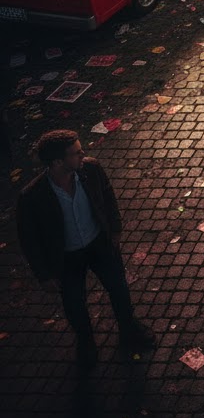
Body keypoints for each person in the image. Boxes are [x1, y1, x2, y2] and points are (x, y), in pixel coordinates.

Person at [16, 130, 155, 370]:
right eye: (76, 153)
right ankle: (86, 342)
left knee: (119, 289)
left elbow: (108, 194)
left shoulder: (91, 170)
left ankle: (129, 329)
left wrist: (115, 229)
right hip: (66, 256)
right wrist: (44, 274)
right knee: (74, 303)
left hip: (98, 243)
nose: (83, 155)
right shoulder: (32, 196)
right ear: (58, 162)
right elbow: (29, 239)